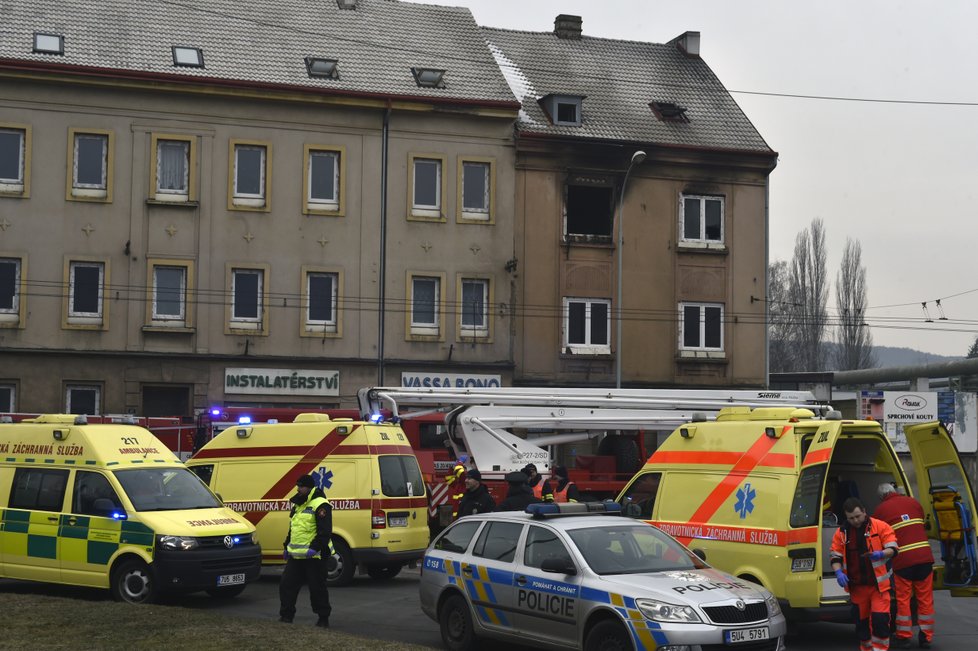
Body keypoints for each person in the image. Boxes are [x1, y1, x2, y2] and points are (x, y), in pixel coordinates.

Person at [830, 497, 899, 651]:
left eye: (857, 516)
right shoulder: (842, 533)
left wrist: (881, 554)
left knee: (880, 621)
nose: (855, 520)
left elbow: (893, 548)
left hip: (879, 587)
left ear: (864, 512)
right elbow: (835, 556)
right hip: (857, 587)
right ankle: (866, 648)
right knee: (861, 625)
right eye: (851, 518)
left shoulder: (880, 526)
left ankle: (880, 649)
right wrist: (838, 571)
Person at [873, 482, 935, 649]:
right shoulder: (913, 502)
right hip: (925, 558)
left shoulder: (880, 510)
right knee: (925, 600)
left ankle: (904, 636)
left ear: (881, 497)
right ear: (894, 491)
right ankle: (926, 637)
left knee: (903, 600)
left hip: (903, 562)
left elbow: (877, 536)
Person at [280, 474, 333, 628]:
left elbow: (325, 532)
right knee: (286, 585)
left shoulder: (321, 505)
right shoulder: (298, 505)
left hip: (314, 556)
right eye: (298, 485)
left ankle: (323, 618)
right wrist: (286, 546)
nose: (298, 489)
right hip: (296, 556)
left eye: (301, 486)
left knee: (317, 589)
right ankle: (286, 616)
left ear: (309, 487)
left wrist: (314, 548)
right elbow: (293, 529)